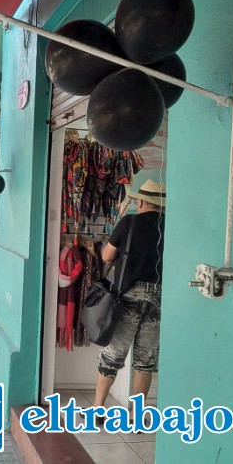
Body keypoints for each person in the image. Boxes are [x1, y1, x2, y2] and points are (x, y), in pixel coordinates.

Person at [93, 179, 165, 423]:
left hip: (129, 296)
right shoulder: (170, 226)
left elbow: (107, 256)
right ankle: (135, 416)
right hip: (158, 297)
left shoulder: (130, 221)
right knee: (145, 362)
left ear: (141, 201)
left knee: (112, 356)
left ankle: (98, 410)